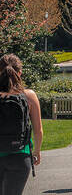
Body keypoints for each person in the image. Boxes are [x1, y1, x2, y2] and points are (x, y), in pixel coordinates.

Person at [0, 54, 43, 195]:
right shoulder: (29, 96)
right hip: (20, 155)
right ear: (20, 72)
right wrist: (36, 151)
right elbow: (38, 130)